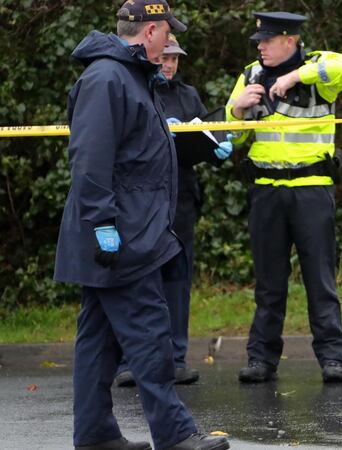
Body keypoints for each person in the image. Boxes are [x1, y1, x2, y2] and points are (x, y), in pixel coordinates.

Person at [53, 1, 229, 449]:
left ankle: (94, 435)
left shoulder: (130, 77)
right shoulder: (108, 79)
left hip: (130, 229)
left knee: (99, 339)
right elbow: (90, 161)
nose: (170, 42)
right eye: (167, 33)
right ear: (150, 30)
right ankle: (176, 436)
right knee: (151, 332)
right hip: (121, 235)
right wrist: (103, 226)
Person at [225, 12, 342, 384]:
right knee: (268, 282)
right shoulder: (249, 75)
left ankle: (333, 359)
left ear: (290, 41)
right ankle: (261, 359)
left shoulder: (318, 72)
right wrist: (238, 109)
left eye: (267, 40)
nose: (259, 46)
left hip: (310, 190)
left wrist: (293, 77)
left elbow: (340, 64)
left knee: (320, 279)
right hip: (266, 192)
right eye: (258, 41)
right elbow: (233, 138)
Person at [114, 34, 233, 388]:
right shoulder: (134, 89)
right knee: (137, 280)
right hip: (141, 201)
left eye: (175, 60)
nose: (169, 65)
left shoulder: (188, 95)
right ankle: (129, 361)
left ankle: (176, 358)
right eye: (164, 58)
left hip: (180, 200)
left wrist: (216, 149)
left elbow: (205, 141)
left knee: (178, 283)